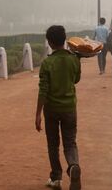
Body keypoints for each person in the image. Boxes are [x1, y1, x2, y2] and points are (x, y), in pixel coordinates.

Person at [35, 25, 82, 190]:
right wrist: (77, 60)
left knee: (53, 144)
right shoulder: (74, 59)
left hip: (52, 109)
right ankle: (74, 165)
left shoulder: (47, 63)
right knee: (70, 142)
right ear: (64, 39)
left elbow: (43, 91)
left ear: (50, 42)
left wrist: (38, 114)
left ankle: (56, 178)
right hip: (69, 108)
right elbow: (76, 80)